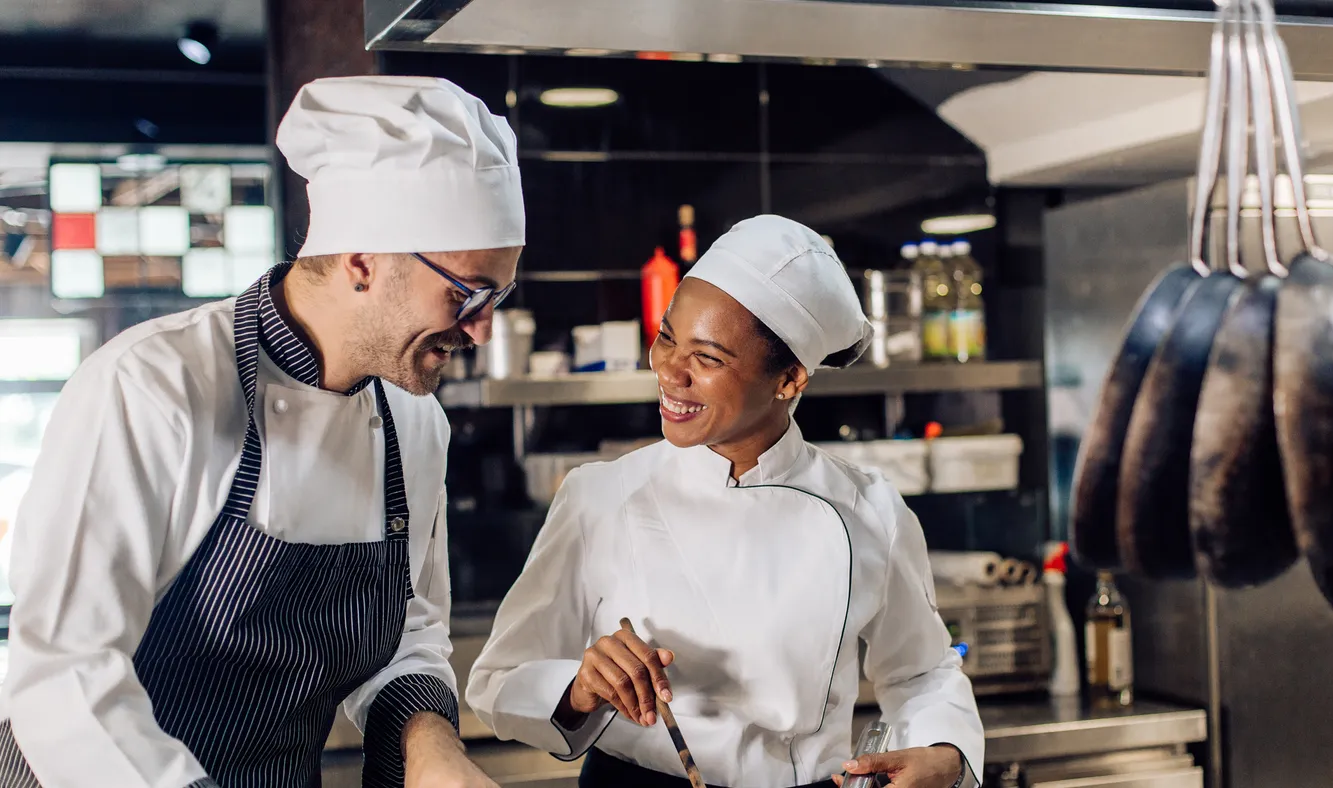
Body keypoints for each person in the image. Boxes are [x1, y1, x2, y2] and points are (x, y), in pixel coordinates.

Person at [0, 75, 523, 788]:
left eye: (499, 295)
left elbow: (410, 635)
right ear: (363, 261)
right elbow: (65, 675)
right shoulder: (152, 386)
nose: (482, 329)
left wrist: (433, 751)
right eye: (467, 294)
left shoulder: (413, 421)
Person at [466, 215, 984, 788]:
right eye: (667, 336)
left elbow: (922, 671)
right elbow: (498, 680)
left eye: (708, 358)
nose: (668, 369)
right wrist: (579, 688)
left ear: (789, 379)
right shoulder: (599, 496)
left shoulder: (870, 511)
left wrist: (947, 754)